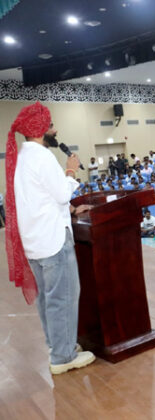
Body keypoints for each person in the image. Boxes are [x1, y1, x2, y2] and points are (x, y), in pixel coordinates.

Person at [6, 102, 95, 374]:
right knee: (63, 297)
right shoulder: (43, 157)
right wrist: (70, 171)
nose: (55, 129)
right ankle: (63, 357)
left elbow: (41, 199)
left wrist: (71, 209)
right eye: (51, 125)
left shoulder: (24, 156)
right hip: (54, 241)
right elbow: (60, 193)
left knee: (48, 298)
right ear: (41, 129)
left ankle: (57, 344)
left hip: (35, 242)